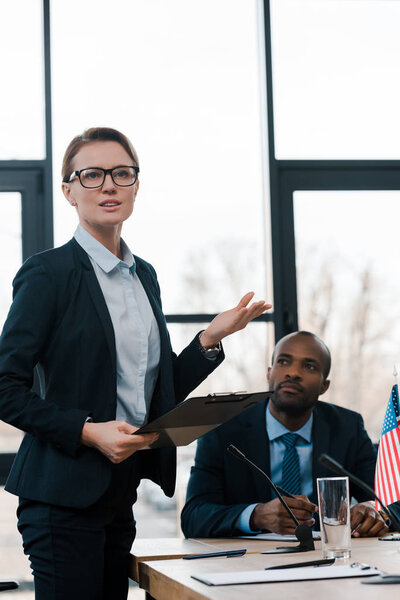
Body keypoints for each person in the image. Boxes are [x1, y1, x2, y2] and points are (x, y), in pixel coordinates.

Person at [0, 127, 271, 600]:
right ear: (68, 190)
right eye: (92, 175)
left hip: (119, 495)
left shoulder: (143, 275)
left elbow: (154, 389)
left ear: (136, 186)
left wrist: (210, 338)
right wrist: (88, 430)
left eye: (121, 173)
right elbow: (4, 386)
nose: (108, 185)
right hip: (60, 497)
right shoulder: (48, 274)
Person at [181, 331, 389, 539]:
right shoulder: (223, 429)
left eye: (309, 366)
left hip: (327, 554)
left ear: (324, 386)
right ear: (269, 374)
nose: (293, 373)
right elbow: (193, 517)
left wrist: (373, 510)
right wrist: (256, 515)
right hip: (248, 561)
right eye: (283, 362)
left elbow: (389, 500)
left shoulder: (347, 428)